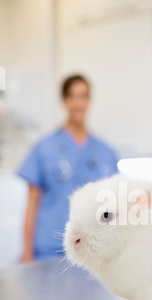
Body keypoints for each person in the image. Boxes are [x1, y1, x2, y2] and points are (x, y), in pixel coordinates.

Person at [18, 74, 119, 261]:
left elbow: (114, 210)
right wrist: (26, 254)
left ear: (90, 101)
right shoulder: (44, 148)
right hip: (49, 252)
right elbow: (31, 203)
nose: (78, 103)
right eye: (73, 96)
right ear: (64, 101)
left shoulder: (106, 153)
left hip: (93, 253)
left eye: (84, 96)